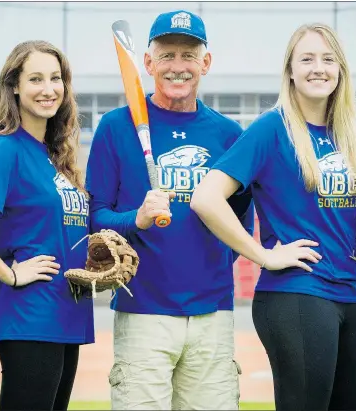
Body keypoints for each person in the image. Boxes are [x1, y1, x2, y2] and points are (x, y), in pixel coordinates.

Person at [191, 23, 356, 411]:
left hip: (349, 293)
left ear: (340, 70)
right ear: (290, 70)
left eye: (327, 59)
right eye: (306, 59)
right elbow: (206, 198)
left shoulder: (351, 135)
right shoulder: (273, 127)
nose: (317, 68)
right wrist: (264, 255)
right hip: (296, 294)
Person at [85, 10, 254, 410]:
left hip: (212, 314)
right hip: (143, 313)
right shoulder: (115, 126)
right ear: (148, 63)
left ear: (205, 64)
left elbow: (241, 220)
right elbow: (96, 218)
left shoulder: (229, 134)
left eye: (188, 56)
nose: (178, 67)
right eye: (167, 56)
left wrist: (210, 265)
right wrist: (136, 219)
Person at [0, 40, 92, 411]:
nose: (48, 89)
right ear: (14, 86)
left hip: (64, 313)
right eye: (36, 79)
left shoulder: (54, 156)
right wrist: (9, 274)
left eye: (56, 78)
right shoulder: (6, 149)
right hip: (30, 315)